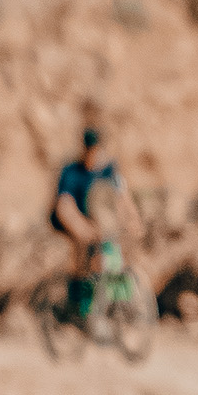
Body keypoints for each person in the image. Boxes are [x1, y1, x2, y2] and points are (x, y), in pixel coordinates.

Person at [50, 129, 140, 317]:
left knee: (117, 251)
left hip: (100, 221)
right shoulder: (72, 172)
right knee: (83, 250)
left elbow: (122, 196)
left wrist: (132, 219)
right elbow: (64, 205)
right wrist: (81, 228)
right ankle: (77, 303)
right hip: (75, 220)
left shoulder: (109, 170)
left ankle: (116, 302)